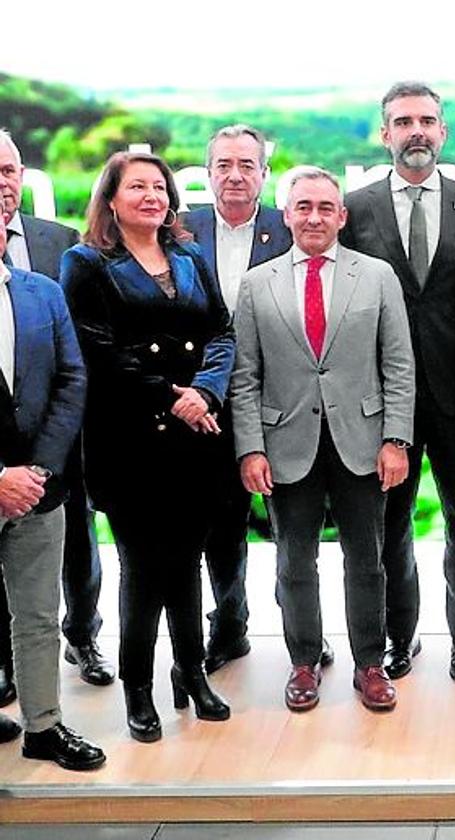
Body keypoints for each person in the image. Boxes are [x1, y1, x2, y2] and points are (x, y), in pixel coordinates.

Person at [61, 152, 236, 742]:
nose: (151, 196)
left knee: (186, 563)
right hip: (130, 441)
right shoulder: (85, 263)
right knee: (141, 569)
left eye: (159, 186)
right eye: (136, 186)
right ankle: (138, 687)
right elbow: (96, 351)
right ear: (111, 198)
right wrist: (170, 393)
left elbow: (221, 332)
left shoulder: (190, 255)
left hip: (196, 437)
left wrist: (206, 394)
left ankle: (191, 673)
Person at [230, 167, 415, 713]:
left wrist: (396, 439)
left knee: (367, 559)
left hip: (362, 439)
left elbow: (399, 365)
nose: (314, 217)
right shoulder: (256, 284)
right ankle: (305, 662)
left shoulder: (377, 276)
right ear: (286, 214)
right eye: (303, 206)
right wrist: (250, 447)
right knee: (294, 560)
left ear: (342, 216)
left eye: (325, 207)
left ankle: (369, 664)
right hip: (286, 444)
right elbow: (245, 375)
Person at [342, 82, 455, 682]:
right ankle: (397, 640)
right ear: (385, 134)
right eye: (403, 122)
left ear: (443, 131)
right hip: (381, 401)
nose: (417, 132)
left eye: (427, 121)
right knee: (389, 526)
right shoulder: (355, 209)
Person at [0, 129, 111, 692]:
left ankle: (84, 636)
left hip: (61, 436)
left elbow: (79, 352)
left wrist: (48, 453)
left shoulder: (59, 240)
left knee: (78, 543)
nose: (3, 184)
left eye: (10, 171)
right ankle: (8, 667)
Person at [181, 124, 294, 675]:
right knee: (220, 525)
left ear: (264, 174)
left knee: (291, 523)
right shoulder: (182, 230)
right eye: (224, 165)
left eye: (246, 165)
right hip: (206, 403)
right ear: (208, 174)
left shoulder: (288, 226)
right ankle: (228, 628)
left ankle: (303, 634)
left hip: (282, 399)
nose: (234, 175)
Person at [0, 223, 105, 770]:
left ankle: (43, 726)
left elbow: (72, 378)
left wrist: (38, 468)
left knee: (39, 614)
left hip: (41, 488)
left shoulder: (42, 291)